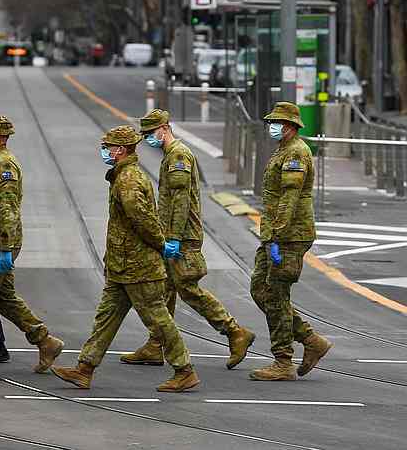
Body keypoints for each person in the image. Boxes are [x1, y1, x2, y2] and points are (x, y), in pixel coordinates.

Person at [51, 125, 199, 392]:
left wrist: (161, 243)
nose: (104, 151)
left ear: (120, 150)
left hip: (138, 265)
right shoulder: (122, 175)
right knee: (106, 317)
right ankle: (84, 368)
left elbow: (142, 219)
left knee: (157, 318)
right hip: (123, 265)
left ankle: (184, 370)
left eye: (108, 147)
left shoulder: (129, 179)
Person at [123, 109, 256, 369]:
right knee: (164, 290)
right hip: (173, 234)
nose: (149, 138)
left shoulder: (179, 156)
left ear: (164, 129)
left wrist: (172, 238)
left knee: (188, 289)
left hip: (182, 237)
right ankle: (156, 344)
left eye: (151, 133)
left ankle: (235, 332)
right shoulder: (171, 155)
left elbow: (181, 201)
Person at [0, 114, 64, 373]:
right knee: (3, 298)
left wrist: (6, 248)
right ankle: (45, 341)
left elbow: (9, 209)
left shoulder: (4, 165)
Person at [249, 102, 333, 381]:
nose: (271, 126)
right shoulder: (284, 150)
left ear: (289, 126)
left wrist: (276, 235)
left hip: (288, 236)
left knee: (275, 295)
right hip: (275, 234)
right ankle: (310, 340)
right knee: (260, 289)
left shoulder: (296, 152)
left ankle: (283, 361)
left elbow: (290, 198)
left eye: (276, 123)